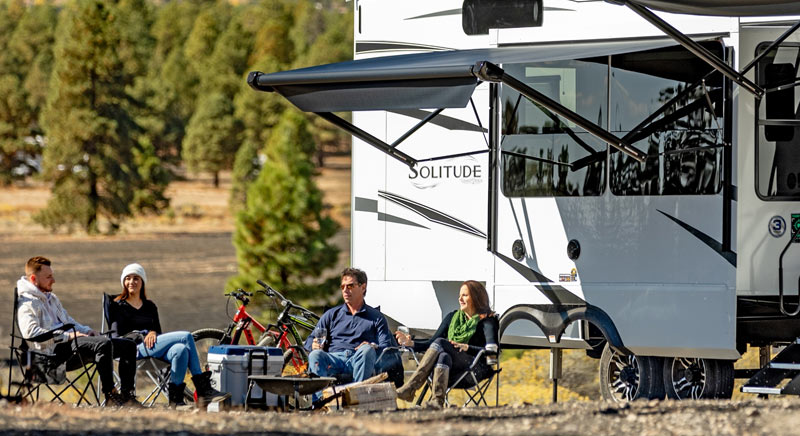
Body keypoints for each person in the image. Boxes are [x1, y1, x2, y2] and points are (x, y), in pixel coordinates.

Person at [16, 256, 138, 406]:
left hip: (69, 347)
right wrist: (68, 336)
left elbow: (69, 321)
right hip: (50, 355)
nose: (53, 280)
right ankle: (110, 395)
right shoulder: (26, 302)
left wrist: (87, 331)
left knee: (128, 345)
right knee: (102, 344)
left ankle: (127, 397)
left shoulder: (51, 298)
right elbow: (31, 333)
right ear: (34, 278)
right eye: (48, 277)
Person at [109, 263, 231, 408]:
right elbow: (117, 336)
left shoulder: (150, 306)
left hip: (152, 348)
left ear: (142, 282)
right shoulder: (117, 306)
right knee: (185, 336)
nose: (132, 282)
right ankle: (203, 389)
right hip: (131, 349)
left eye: (136, 278)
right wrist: (143, 334)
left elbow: (157, 333)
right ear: (123, 282)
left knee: (180, 349)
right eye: (128, 278)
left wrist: (153, 332)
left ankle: (176, 400)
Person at [394, 280, 499, 408]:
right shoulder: (452, 318)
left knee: (441, 343)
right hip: (449, 372)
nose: (460, 299)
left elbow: (493, 353)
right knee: (443, 356)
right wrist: (411, 343)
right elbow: (431, 344)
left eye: (465, 295)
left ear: (476, 297)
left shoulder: (488, 321)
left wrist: (467, 348)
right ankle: (436, 402)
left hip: (473, 372)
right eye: (460, 295)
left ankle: (411, 387)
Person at [304, 267, 393, 384]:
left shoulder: (376, 318)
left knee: (367, 350)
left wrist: (372, 346)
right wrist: (313, 345)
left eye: (350, 286)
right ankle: (320, 400)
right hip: (334, 359)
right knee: (315, 354)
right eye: (342, 287)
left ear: (363, 287)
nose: (345, 290)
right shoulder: (331, 315)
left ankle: (356, 395)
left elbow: (385, 347)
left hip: (358, 358)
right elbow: (309, 340)